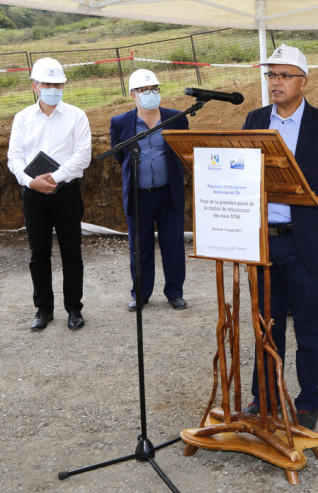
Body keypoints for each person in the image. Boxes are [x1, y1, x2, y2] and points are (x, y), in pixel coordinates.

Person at [241, 44, 318, 430]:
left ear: (304, 82)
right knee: (266, 328)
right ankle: (264, 397)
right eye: (271, 75)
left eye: (285, 75)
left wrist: (290, 173)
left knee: (307, 329)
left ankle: (307, 403)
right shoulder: (254, 120)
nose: (276, 82)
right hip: (263, 242)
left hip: (304, 243)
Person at [7, 57, 92, 331]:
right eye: (47, 83)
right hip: (33, 194)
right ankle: (43, 309)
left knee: (72, 252)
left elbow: (82, 156)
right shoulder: (22, 118)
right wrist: (31, 182)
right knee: (38, 253)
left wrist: (53, 178)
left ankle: (74, 309)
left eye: (58, 83)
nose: (53, 88)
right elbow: (14, 157)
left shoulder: (77, 116)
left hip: (66, 192)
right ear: (35, 86)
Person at [110, 69, 189, 312]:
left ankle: (174, 292)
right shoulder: (121, 122)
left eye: (154, 89)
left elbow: (183, 151)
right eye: (145, 90)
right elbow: (119, 154)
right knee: (139, 246)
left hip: (169, 194)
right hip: (139, 196)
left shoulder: (176, 118)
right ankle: (141, 293)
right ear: (134, 95)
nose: (151, 94)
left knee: (173, 245)